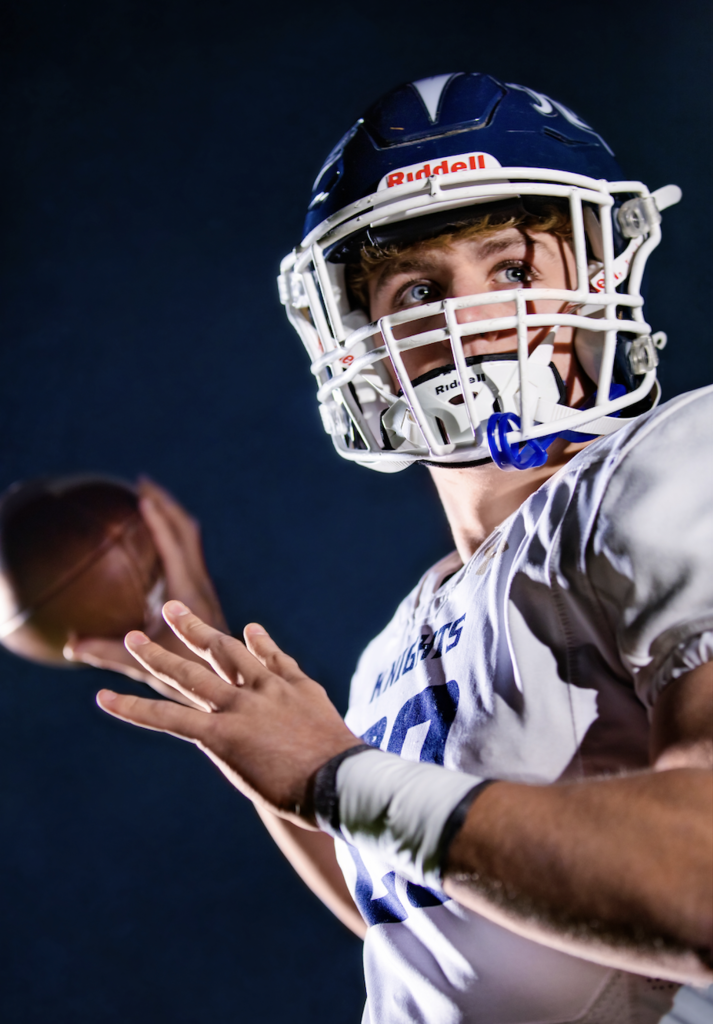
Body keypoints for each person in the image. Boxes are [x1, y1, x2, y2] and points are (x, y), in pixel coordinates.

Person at [67, 73, 713, 1023]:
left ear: (600, 273)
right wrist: (247, 712)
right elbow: (433, 933)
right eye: (418, 289)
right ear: (355, 341)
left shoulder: (675, 463)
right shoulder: (403, 635)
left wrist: (338, 776)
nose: (472, 320)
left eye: (513, 269)